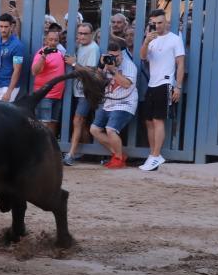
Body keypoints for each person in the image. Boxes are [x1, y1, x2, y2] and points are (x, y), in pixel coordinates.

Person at [139, 9, 186, 171]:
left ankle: (156, 154)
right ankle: (154, 155)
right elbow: (143, 57)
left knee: (159, 120)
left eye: (160, 22)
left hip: (166, 83)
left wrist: (178, 86)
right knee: (148, 121)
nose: (157, 26)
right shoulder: (150, 38)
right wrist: (146, 42)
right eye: (154, 23)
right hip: (152, 83)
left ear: (165, 22)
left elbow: (180, 63)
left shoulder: (174, 39)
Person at [90, 43, 138, 169]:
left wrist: (113, 71)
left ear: (121, 55)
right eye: (112, 56)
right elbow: (97, 81)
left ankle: (118, 158)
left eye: (117, 56)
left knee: (110, 130)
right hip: (109, 102)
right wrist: (101, 67)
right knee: (94, 130)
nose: (114, 59)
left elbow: (127, 84)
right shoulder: (106, 63)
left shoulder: (129, 66)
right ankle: (119, 154)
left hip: (125, 103)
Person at [64, 20, 102, 165]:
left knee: (78, 120)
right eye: (80, 33)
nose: (82, 36)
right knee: (82, 122)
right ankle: (89, 153)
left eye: (85, 34)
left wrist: (74, 64)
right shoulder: (79, 46)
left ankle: (71, 154)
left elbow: (91, 71)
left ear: (91, 34)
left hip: (86, 91)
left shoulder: (93, 48)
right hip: (77, 90)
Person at [31, 28, 67, 134]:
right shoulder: (41, 53)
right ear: (46, 41)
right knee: (43, 125)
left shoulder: (59, 52)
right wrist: (43, 58)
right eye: (50, 40)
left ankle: (50, 149)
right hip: (45, 95)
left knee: (52, 124)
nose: (53, 42)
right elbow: (34, 72)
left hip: (57, 96)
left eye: (55, 40)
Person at [0, 12, 25, 102]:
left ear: (11, 27)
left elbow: (17, 70)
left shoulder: (17, 45)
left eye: (6, 27)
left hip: (9, 86)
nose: (3, 30)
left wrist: (9, 92)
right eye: (1, 26)